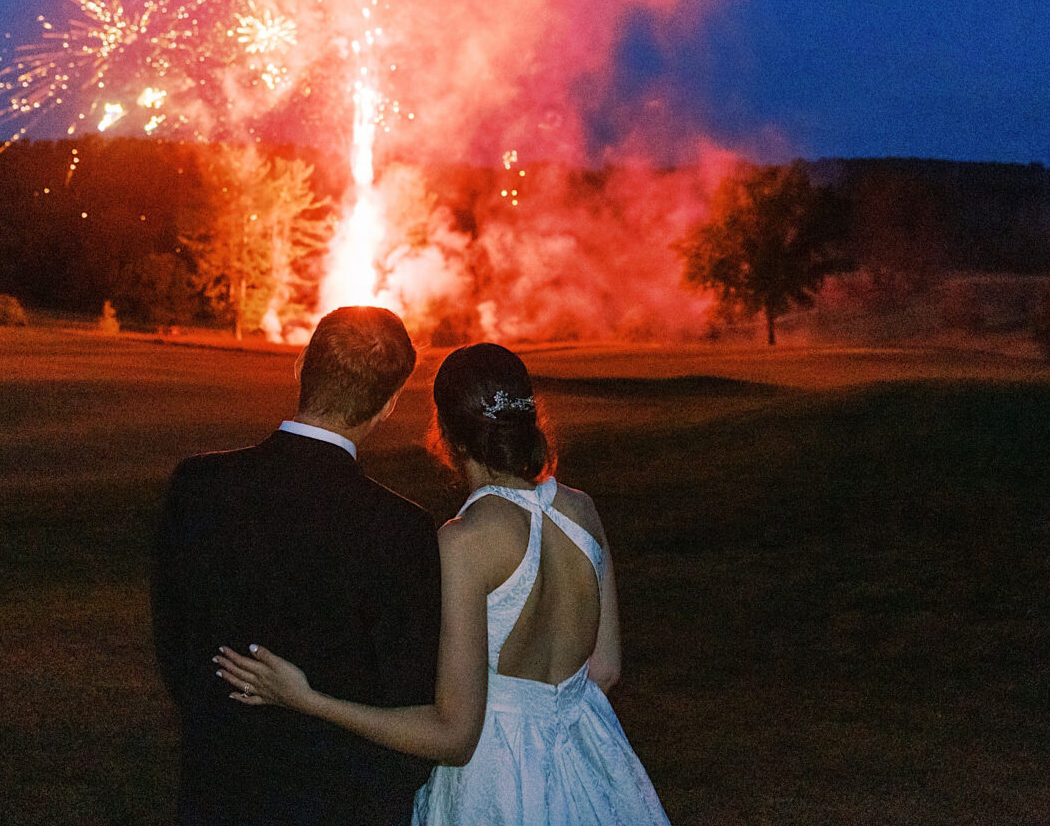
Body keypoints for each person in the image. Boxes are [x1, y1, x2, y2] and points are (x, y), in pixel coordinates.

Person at [214, 342, 671, 825]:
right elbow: (603, 670)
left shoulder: (465, 541)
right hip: (590, 765)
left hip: (494, 783)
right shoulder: (582, 509)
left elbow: (453, 739)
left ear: (446, 434)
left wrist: (307, 699)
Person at [151, 306, 440, 826]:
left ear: (302, 365)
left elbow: (177, 647)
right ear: (390, 405)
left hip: (220, 789)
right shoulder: (403, 529)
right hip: (345, 800)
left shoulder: (200, 484)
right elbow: (410, 696)